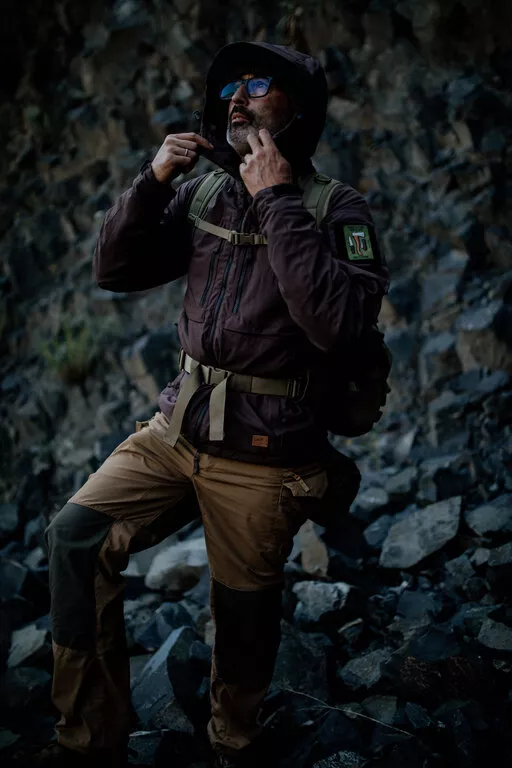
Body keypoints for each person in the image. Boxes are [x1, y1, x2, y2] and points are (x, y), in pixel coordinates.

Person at [39, 41, 389, 768]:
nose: (237, 95)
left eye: (258, 84)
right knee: (74, 539)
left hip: (267, 453)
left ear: (298, 108)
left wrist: (277, 199)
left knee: (243, 617)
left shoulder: (336, 209)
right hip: (175, 429)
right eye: (231, 84)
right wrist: (152, 182)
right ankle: (88, 744)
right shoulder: (205, 193)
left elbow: (340, 326)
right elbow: (114, 269)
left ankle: (233, 742)